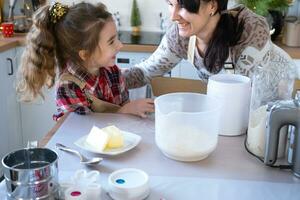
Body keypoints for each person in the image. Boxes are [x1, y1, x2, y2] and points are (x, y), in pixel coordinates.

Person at [17, 2, 154, 119]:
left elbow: (125, 109)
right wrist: (125, 111)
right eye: (111, 42)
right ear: (85, 54)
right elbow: (84, 133)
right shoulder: (68, 87)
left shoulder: (112, 71)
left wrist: (132, 110)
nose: (120, 45)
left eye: (116, 38)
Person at [123, 0, 296, 89]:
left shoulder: (250, 30)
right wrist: (103, 80)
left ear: (212, 5)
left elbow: (245, 95)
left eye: (183, 5)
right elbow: (145, 72)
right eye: (170, 4)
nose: (173, 16)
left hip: (279, 98)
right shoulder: (180, 36)